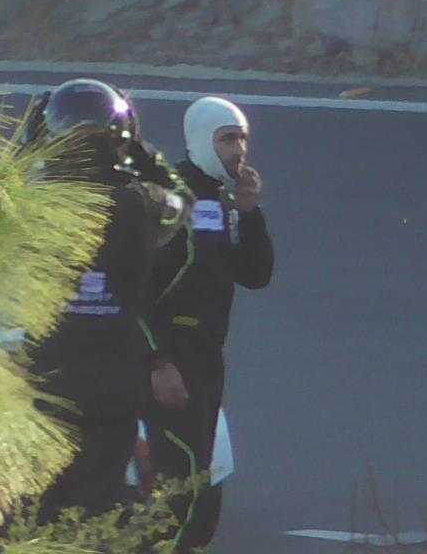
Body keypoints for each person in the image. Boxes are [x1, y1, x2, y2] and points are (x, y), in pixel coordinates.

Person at [19, 78, 192, 521]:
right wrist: (141, 147)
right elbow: (183, 201)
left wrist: (28, 140)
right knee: (97, 501)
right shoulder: (142, 203)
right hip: (114, 375)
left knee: (38, 502)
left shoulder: (32, 203)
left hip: (46, 371)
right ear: (120, 138)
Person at [145, 96, 274, 551]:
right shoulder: (171, 196)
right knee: (176, 473)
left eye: (242, 138)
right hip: (173, 357)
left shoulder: (222, 199)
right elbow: (140, 290)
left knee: (202, 473)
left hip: (206, 355)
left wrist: (251, 213)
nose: (239, 149)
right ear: (201, 140)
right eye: (227, 139)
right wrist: (159, 362)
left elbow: (255, 274)